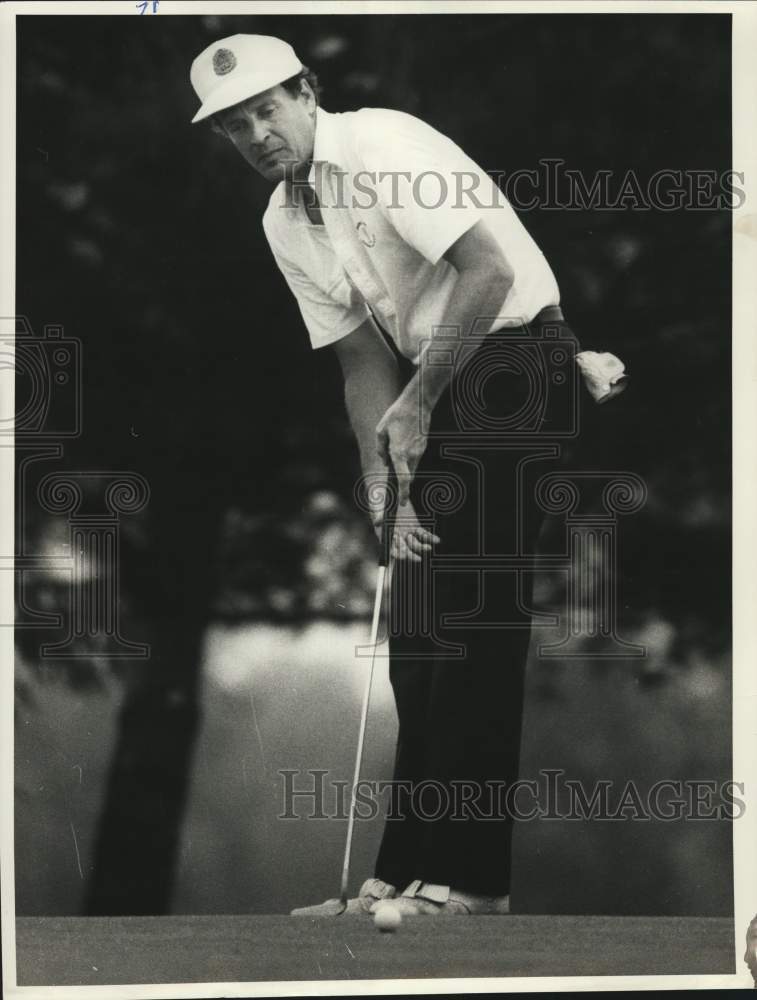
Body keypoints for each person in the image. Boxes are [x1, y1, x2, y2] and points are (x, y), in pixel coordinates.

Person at [189, 33, 626, 917]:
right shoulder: (283, 220)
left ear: (308, 92)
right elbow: (359, 363)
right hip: (440, 385)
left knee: (472, 625)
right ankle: (398, 877)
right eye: (236, 125)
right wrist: (380, 485)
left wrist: (420, 406)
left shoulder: (386, 144)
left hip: (513, 370)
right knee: (421, 634)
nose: (258, 131)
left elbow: (487, 269)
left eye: (268, 106)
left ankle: (469, 883)